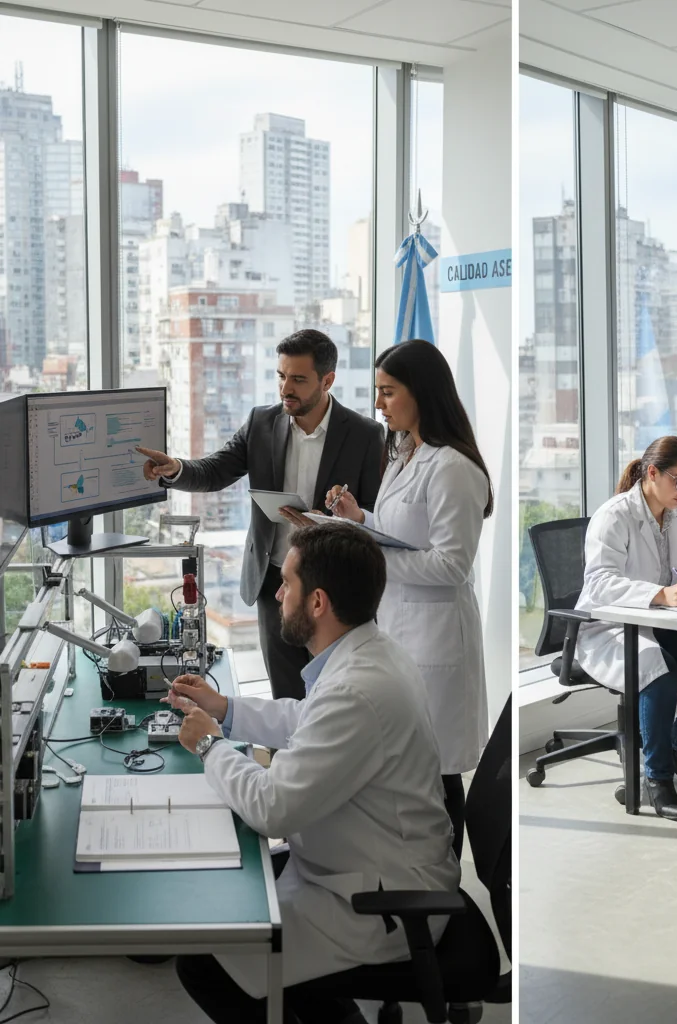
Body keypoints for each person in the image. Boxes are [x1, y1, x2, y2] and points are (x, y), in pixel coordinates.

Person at [168, 523, 460, 1024]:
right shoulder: (370, 653)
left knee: (205, 960)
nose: (278, 594)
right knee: (234, 904)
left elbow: (271, 809)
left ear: (318, 602)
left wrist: (210, 746)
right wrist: (226, 708)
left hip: (381, 900)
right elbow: (307, 722)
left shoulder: (357, 689)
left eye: (288, 583)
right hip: (355, 864)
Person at [137, 329, 383, 701]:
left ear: (327, 380)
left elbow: (375, 515)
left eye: (298, 379)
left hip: (336, 588)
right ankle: (288, 759)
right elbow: (216, 470)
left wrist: (330, 524)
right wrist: (176, 469)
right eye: (282, 376)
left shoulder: (366, 435)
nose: (286, 388)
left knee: (340, 695)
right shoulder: (261, 423)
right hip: (276, 583)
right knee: (285, 694)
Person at [327, 339, 491, 857]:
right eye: (378, 391)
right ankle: (413, 868)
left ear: (421, 392)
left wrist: (369, 555)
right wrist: (360, 520)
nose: (379, 404)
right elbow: (404, 534)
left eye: (389, 392)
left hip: (437, 637)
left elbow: (450, 564)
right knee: (410, 765)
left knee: (438, 774)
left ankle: (443, 885)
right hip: (401, 627)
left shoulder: (453, 468)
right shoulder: (405, 452)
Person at [574, 435, 677, 822]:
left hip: (658, 622)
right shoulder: (615, 516)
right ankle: (657, 778)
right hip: (609, 626)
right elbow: (598, 584)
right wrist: (661, 594)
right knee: (660, 673)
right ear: (652, 473)